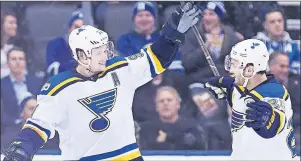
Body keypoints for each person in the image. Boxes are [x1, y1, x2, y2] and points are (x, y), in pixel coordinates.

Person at [2, 2, 201, 161]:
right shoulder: (59, 88)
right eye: (98, 52)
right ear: (81, 55)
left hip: (129, 157)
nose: (104, 55)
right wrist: (23, 148)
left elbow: (155, 58)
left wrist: (173, 33)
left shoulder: (120, 70)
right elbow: (38, 127)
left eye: (105, 49)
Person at [205, 39, 297, 160]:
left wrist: (269, 119)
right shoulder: (240, 90)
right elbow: (242, 97)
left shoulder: (274, 92)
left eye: (234, 65)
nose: (230, 70)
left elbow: (275, 123)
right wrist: (228, 90)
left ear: (249, 69)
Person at [139, 86, 207, 150]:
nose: (165, 103)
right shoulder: (147, 129)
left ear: (178, 104)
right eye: (161, 101)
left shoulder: (192, 126)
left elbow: (197, 145)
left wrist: (168, 137)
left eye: (169, 100)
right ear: (156, 107)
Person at [46, 10, 84, 77]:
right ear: (69, 28)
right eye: (76, 27)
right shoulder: (55, 44)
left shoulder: (88, 48)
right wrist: (75, 66)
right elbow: (52, 71)